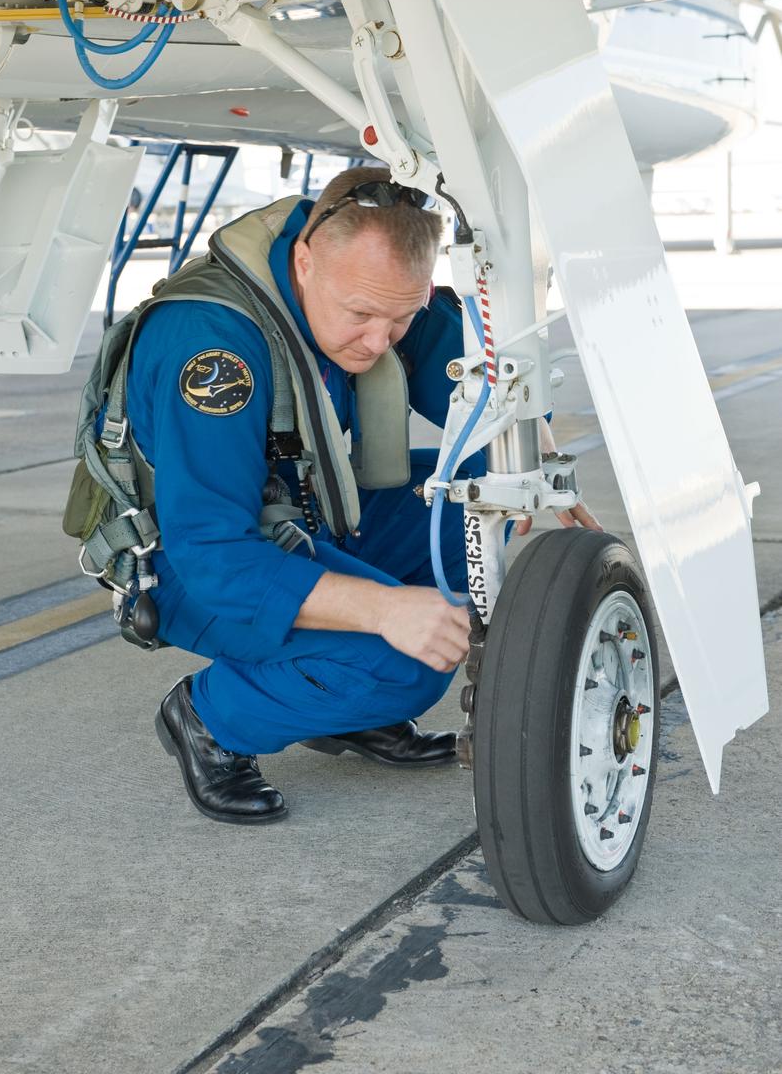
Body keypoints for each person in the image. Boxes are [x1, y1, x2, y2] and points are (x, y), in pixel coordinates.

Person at [123, 166, 599, 825]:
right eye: (362, 316)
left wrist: (536, 461)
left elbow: (476, 386)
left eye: (398, 318)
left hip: (304, 511)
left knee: (477, 501)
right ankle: (208, 717)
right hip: (187, 562)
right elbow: (212, 555)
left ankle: (346, 714)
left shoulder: (368, 278)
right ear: (304, 261)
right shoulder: (213, 350)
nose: (379, 342)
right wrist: (382, 609)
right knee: (405, 661)